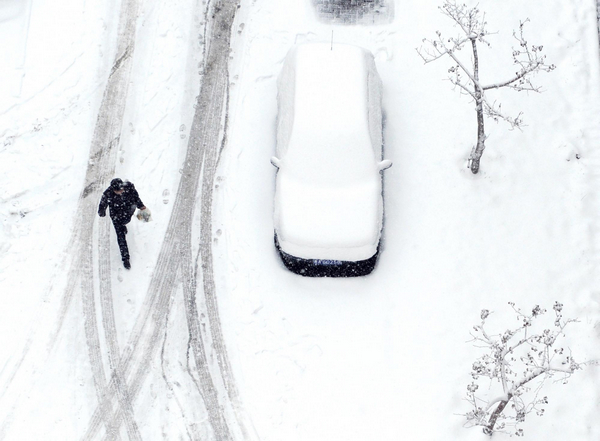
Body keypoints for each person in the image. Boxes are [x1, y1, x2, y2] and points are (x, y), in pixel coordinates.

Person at [98, 178, 146, 269]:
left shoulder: (129, 187)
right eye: (118, 191)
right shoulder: (108, 193)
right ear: (113, 190)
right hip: (116, 216)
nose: (121, 192)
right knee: (120, 237)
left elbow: (136, 198)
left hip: (128, 210)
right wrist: (102, 211)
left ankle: (124, 225)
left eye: (121, 190)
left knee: (126, 221)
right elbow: (102, 203)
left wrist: (141, 206)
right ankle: (125, 258)